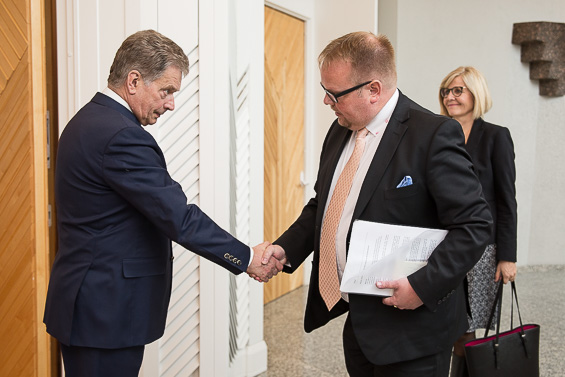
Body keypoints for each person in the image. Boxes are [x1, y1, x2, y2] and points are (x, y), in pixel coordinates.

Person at [43, 30, 283, 377]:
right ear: (134, 80)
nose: (171, 103)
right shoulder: (122, 136)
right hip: (104, 313)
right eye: (166, 91)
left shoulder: (86, 121)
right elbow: (179, 218)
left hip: (91, 304)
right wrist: (246, 257)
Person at [262, 32, 493, 377]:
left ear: (373, 89)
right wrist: (286, 248)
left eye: (333, 93)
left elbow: (475, 226)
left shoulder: (432, 133)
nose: (326, 101)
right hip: (360, 322)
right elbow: (323, 205)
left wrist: (422, 285)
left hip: (414, 331)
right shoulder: (340, 129)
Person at [439, 66, 518, 377]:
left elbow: (506, 199)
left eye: (458, 90)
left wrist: (507, 257)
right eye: (446, 91)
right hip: (442, 245)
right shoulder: (438, 134)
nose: (450, 96)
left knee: (468, 327)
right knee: (450, 322)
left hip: (481, 248)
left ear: (476, 92)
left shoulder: (496, 136)